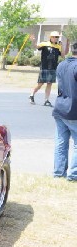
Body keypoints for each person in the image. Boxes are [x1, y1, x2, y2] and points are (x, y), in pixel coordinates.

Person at [51, 41, 77, 182]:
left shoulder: (62, 64)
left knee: (61, 142)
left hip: (60, 108)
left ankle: (58, 173)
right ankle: (73, 175)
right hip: (73, 110)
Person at [30, 31, 63, 106]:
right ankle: (32, 94)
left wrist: (63, 45)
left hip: (53, 67)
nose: (55, 38)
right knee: (40, 84)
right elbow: (37, 46)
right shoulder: (45, 44)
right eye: (54, 37)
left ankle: (46, 100)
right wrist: (33, 40)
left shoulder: (58, 46)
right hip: (44, 67)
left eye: (57, 37)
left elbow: (63, 55)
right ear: (50, 37)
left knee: (49, 84)